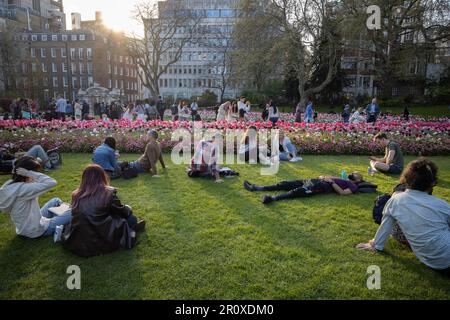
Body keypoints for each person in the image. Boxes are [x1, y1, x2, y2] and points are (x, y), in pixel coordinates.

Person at [357, 158, 450, 275]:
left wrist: (376, 245)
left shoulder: (395, 200)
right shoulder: (442, 205)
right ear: (432, 183)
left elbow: (385, 226)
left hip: (433, 261)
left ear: (406, 179)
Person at [63, 165, 145, 257]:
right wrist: (128, 208)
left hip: (80, 239)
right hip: (101, 236)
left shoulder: (76, 194)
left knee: (109, 216)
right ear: (102, 176)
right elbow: (123, 212)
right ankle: (132, 230)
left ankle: (131, 229)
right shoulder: (108, 193)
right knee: (131, 219)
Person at [0, 156, 72, 239]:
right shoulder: (24, 189)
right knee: (74, 211)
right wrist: (29, 173)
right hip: (36, 230)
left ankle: (62, 214)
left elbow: (37, 183)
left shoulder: (9, 186)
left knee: (55, 200)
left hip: (24, 227)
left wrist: (29, 174)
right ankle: (65, 216)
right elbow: (52, 182)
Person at [244, 172, 364, 204]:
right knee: (285, 184)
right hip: (315, 180)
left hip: (320, 187)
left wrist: (331, 182)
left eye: (355, 174)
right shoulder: (346, 180)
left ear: (358, 180)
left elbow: (342, 193)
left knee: (296, 192)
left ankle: (272, 199)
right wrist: (323, 176)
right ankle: (257, 188)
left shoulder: (353, 185)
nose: (353, 173)